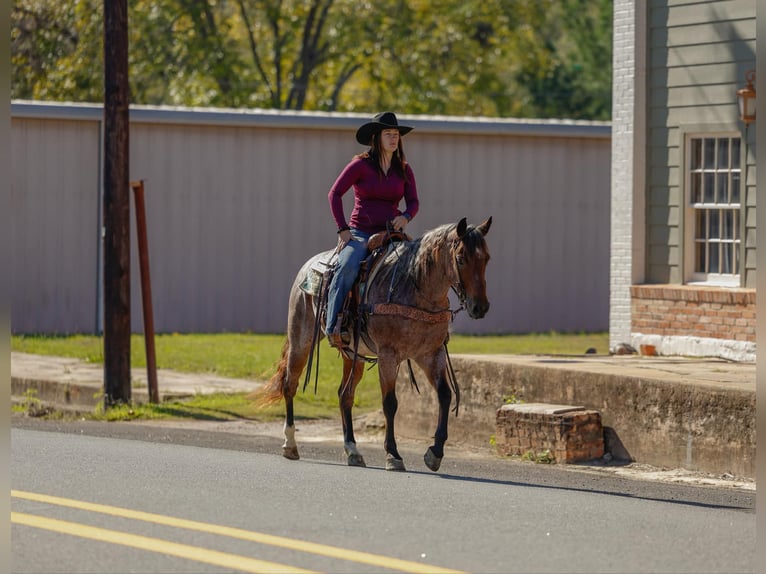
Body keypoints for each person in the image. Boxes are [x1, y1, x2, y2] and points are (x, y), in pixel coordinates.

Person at [325, 111, 420, 348]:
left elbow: (414, 202)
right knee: (347, 266)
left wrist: (406, 217)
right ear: (376, 137)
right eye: (388, 134)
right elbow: (334, 194)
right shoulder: (361, 165)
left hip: (391, 234)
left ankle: (418, 327)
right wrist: (342, 229)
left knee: (417, 267)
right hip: (361, 233)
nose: (393, 138)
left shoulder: (404, 169)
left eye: (396, 134)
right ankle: (334, 325)